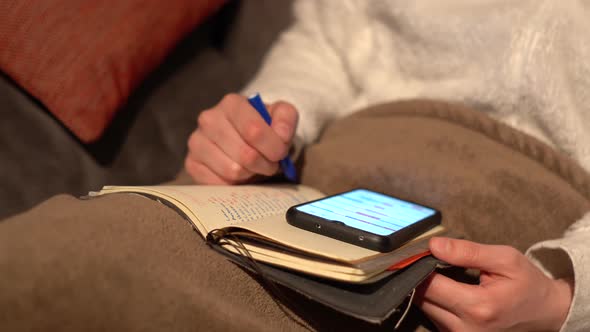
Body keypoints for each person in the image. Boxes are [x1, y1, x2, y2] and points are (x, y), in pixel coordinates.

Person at [184, 0, 590, 330]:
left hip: (521, 255)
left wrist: (564, 298)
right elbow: (327, 41)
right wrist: (262, 128)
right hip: (311, 172)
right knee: (136, 231)